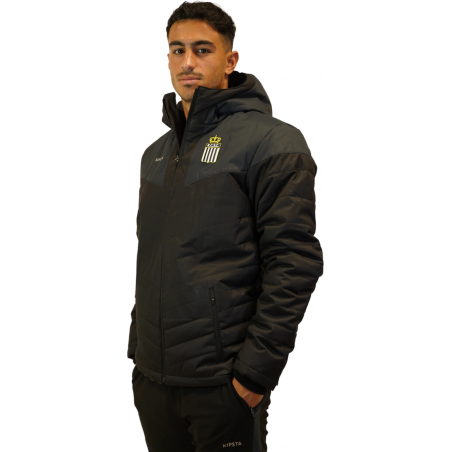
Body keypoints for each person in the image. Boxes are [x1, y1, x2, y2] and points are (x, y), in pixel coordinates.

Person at [127, 2, 323, 451]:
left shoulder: (272, 142)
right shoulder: (156, 154)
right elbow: (154, 258)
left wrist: (253, 376)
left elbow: (295, 262)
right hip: (155, 381)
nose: (188, 62)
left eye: (202, 49)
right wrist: (139, 351)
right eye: (177, 50)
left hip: (223, 385)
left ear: (230, 60)